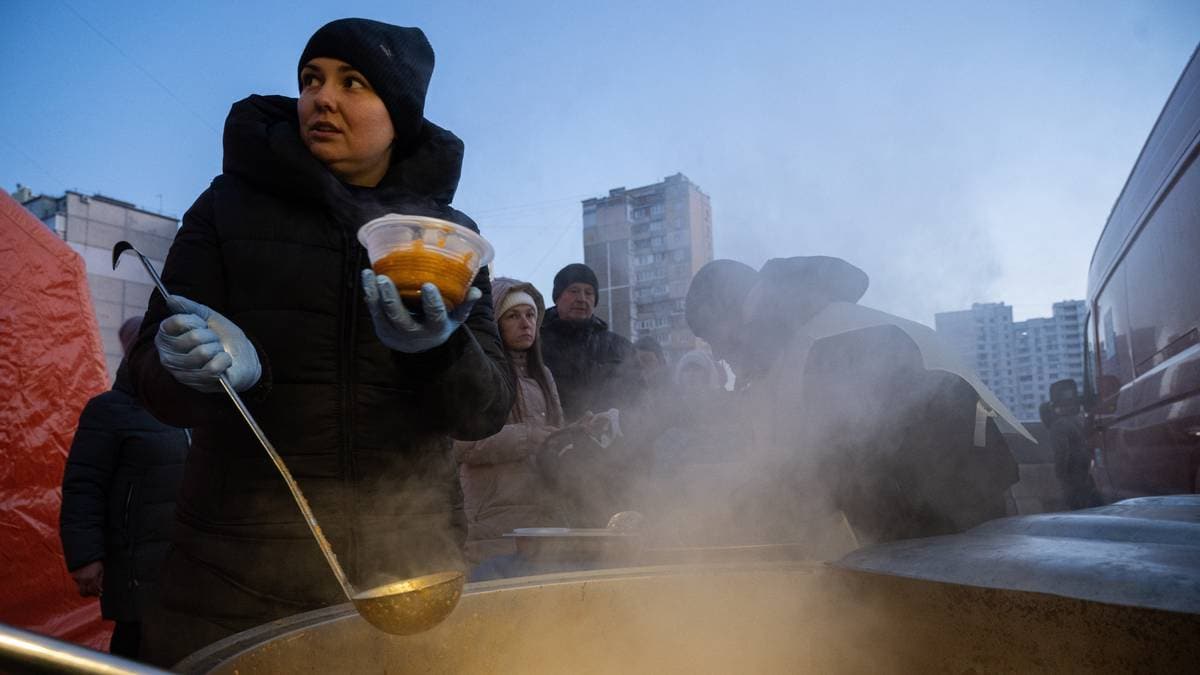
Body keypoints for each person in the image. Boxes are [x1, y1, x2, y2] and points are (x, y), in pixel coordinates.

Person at [126, 19, 513, 665]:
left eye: (352, 82)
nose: (321, 98)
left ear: (400, 112)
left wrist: (436, 353)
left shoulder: (446, 236)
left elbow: (486, 409)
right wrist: (207, 372)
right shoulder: (228, 208)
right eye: (311, 79)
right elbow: (148, 377)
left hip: (410, 574)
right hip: (236, 577)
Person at [684, 256, 1021, 545]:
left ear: (733, 310)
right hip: (929, 511)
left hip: (956, 513)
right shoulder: (792, 334)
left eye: (712, 335)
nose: (717, 352)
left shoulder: (827, 340)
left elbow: (853, 464)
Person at [59, 317, 190, 659]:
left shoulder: (187, 413)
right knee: (135, 646)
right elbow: (84, 485)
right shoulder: (109, 410)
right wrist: (85, 557)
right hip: (134, 563)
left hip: (182, 562)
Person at [456, 278, 566, 565]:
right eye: (513, 316)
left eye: (530, 315)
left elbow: (552, 436)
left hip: (541, 514)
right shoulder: (479, 373)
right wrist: (528, 438)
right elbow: (461, 444)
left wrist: (576, 434)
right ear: (495, 324)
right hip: (491, 516)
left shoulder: (544, 375)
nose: (525, 323)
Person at [540, 263, 644, 422]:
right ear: (557, 297)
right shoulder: (535, 345)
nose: (581, 299)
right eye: (573, 291)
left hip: (611, 443)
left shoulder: (619, 348)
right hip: (553, 441)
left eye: (589, 293)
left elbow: (640, 401)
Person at [1047, 379, 1099, 509]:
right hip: (1086, 478)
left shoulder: (1058, 426)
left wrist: (1061, 475)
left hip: (1073, 480)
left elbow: (1062, 454)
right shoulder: (1081, 422)